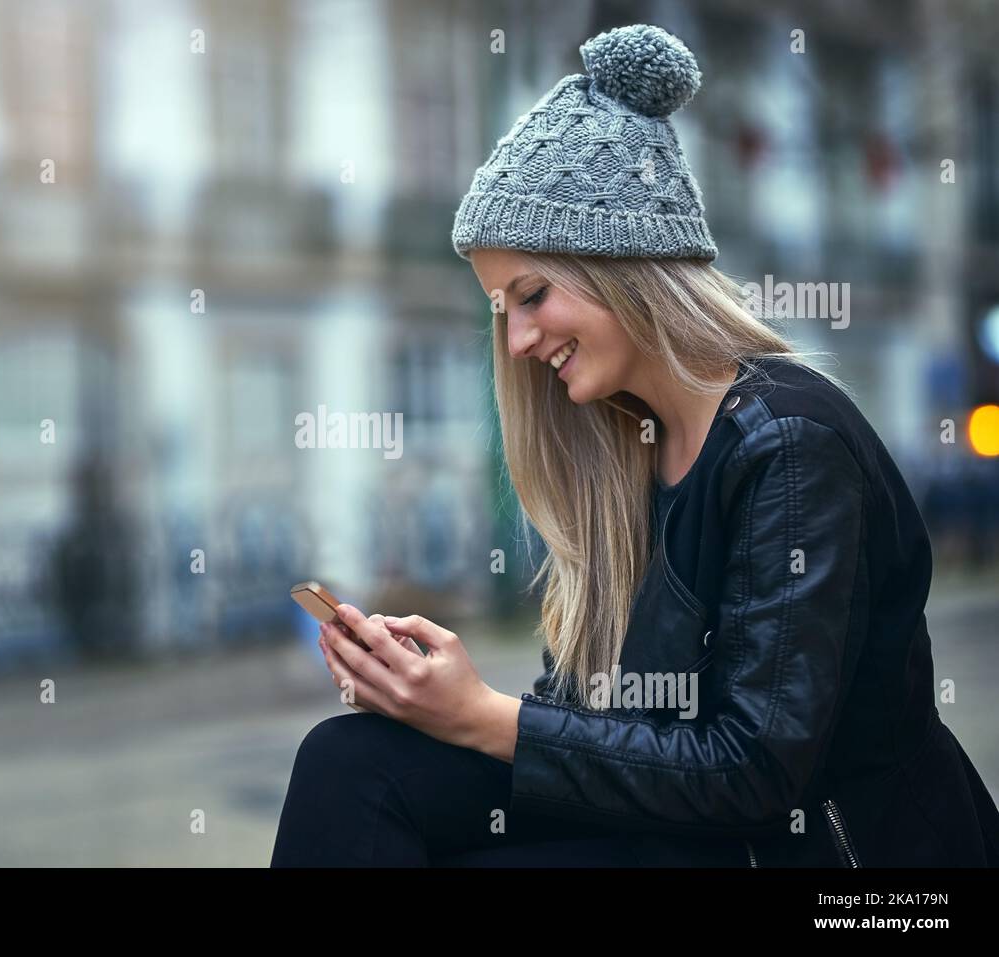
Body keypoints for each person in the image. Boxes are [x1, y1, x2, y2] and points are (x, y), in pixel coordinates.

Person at [270, 23, 999, 867]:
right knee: (349, 762)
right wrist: (435, 698)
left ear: (627, 260)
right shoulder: (620, 447)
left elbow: (757, 769)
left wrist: (482, 715)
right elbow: (605, 727)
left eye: (533, 294)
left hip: (827, 858)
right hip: (687, 824)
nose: (518, 342)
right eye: (505, 308)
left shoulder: (790, 444)